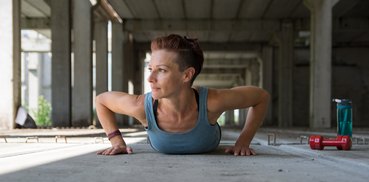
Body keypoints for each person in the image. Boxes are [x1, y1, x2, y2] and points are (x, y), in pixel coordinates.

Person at [96, 34, 269, 156]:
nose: (150, 78)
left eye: (161, 70)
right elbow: (101, 101)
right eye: (151, 69)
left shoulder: (212, 102)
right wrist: (116, 141)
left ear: (186, 75)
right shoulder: (141, 106)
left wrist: (244, 141)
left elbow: (261, 97)